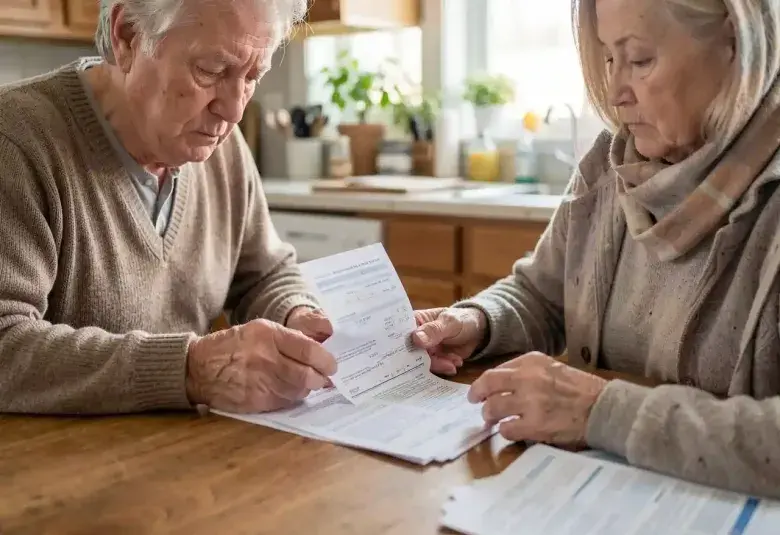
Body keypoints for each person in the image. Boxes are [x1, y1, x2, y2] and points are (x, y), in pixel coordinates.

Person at [414, 0, 780, 498]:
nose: (615, 93)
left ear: (737, 47)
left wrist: (600, 411)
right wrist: (479, 321)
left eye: (641, 60)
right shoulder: (606, 165)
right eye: (609, 58)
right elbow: (542, 295)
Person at [0, 0, 338, 415]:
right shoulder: (15, 141)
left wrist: (296, 318)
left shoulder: (222, 147)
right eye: (211, 71)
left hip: (182, 461)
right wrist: (189, 369)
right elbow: (5, 342)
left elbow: (264, 273)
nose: (233, 109)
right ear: (128, 37)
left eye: (252, 76)